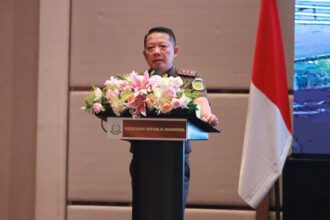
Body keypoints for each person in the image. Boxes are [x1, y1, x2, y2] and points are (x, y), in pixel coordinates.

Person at [130, 26, 219, 209]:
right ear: (144, 54)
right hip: (143, 157)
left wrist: (206, 114)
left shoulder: (188, 79)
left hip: (176, 159)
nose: (156, 52)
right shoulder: (135, 83)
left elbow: (200, 100)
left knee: (171, 209)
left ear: (175, 51)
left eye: (163, 46)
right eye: (150, 48)